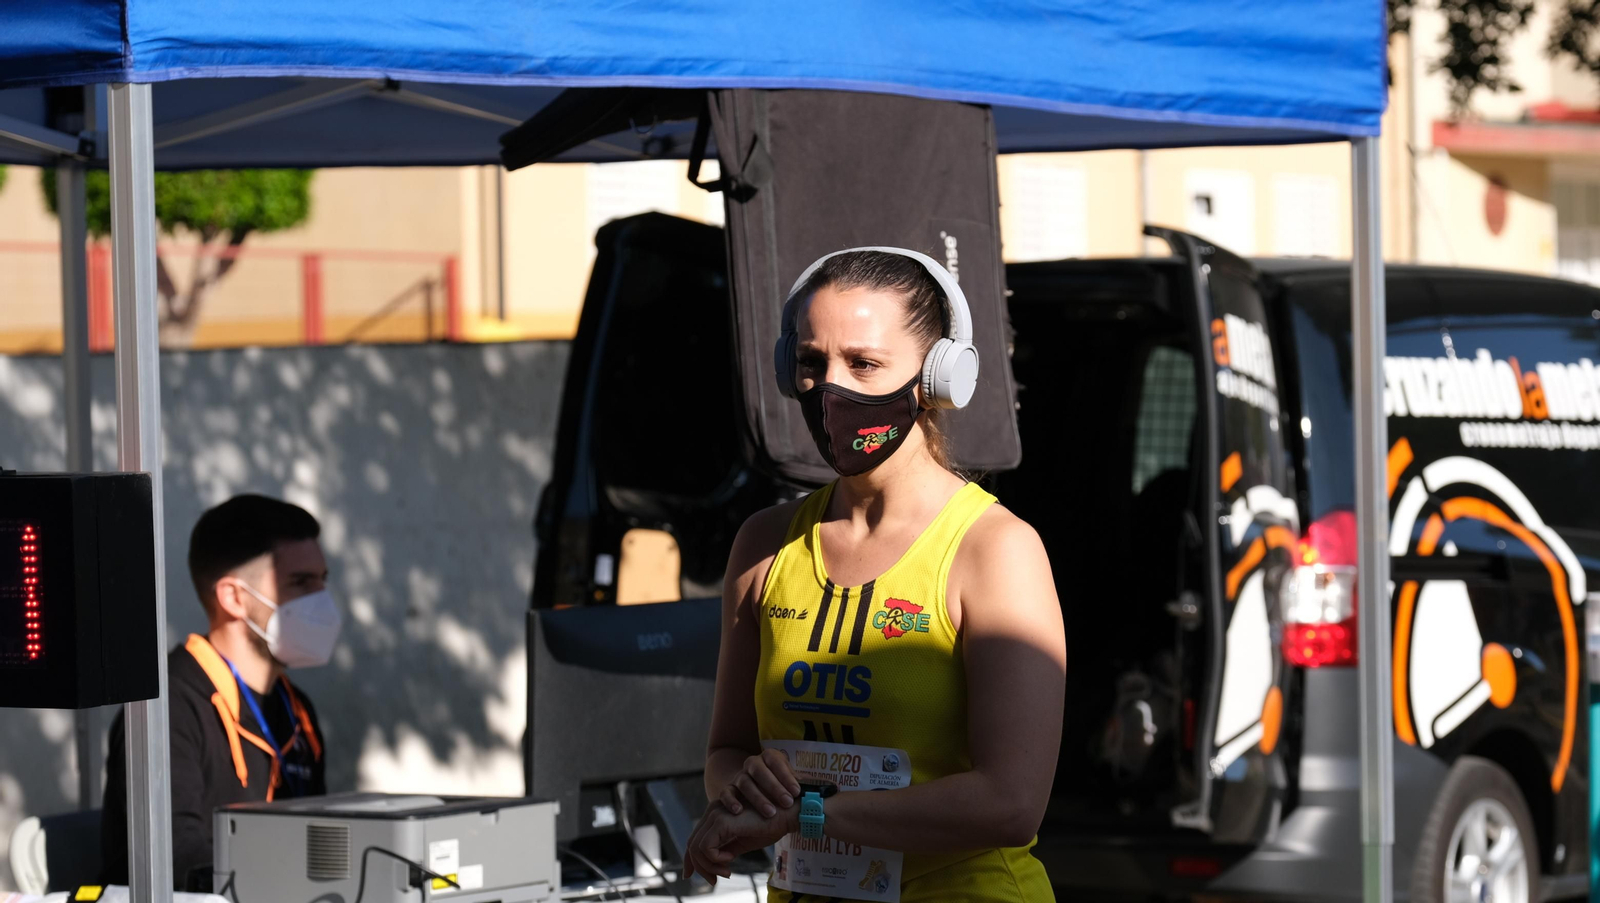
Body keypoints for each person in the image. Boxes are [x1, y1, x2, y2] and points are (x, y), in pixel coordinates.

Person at [686, 249, 1067, 900]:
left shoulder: (995, 549)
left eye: (863, 363)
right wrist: (740, 792)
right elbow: (726, 751)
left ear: (938, 378)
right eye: (810, 362)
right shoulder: (764, 544)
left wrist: (811, 814)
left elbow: (1011, 802)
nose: (831, 388)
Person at [101, 494, 341, 891]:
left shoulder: (298, 712)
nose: (321, 599)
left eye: (323, 580)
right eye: (301, 582)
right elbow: (174, 858)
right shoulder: (164, 708)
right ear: (233, 597)